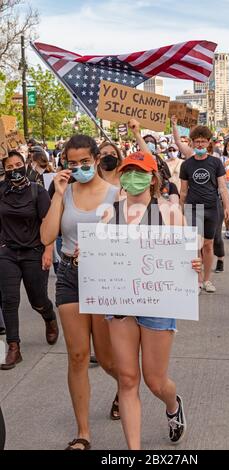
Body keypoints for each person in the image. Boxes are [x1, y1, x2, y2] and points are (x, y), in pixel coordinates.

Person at [105, 150, 201, 450]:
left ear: (152, 178)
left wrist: (193, 263)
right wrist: (89, 255)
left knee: (155, 381)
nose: (133, 177)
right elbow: (102, 256)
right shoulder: (110, 212)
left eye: (140, 171)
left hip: (159, 302)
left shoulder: (169, 212)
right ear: (121, 177)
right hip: (121, 302)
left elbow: (188, 254)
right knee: (127, 378)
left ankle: (172, 405)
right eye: (128, 171)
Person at [40, 135, 119, 450]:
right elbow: (47, 235)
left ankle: (125, 387)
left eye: (84, 162)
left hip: (104, 277)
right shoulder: (64, 192)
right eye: (72, 163)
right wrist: (59, 196)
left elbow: (133, 239)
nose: (78, 168)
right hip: (70, 276)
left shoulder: (116, 194)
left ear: (97, 159)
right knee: (77, 356)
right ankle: (83, 432)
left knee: (110, 360)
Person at [0, 150, 58, 370]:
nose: (14, 169)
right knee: (9, 300)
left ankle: (48, 316)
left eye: (18, 164)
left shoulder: (38, 192)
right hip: (7, 253)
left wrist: (48, 251)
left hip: (34, 252)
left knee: (37, 299)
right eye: (9, 167)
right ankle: (14, 347)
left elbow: (48, 223)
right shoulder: (1, 191)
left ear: (25, 164)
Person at [172, 115, 229, 293]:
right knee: (194, 246)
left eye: (203, 142)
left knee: (208, 245)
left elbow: (222, 187)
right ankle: (197, 281)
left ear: (208, 143)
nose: (199, 145)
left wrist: (228, 208)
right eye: (196, 141)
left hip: (212, 208)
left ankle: (207, 280)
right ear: (191, 143)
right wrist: (180, 211)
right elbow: (183, 191)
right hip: (193, 208)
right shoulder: (186, 165)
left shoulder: (215, 163)